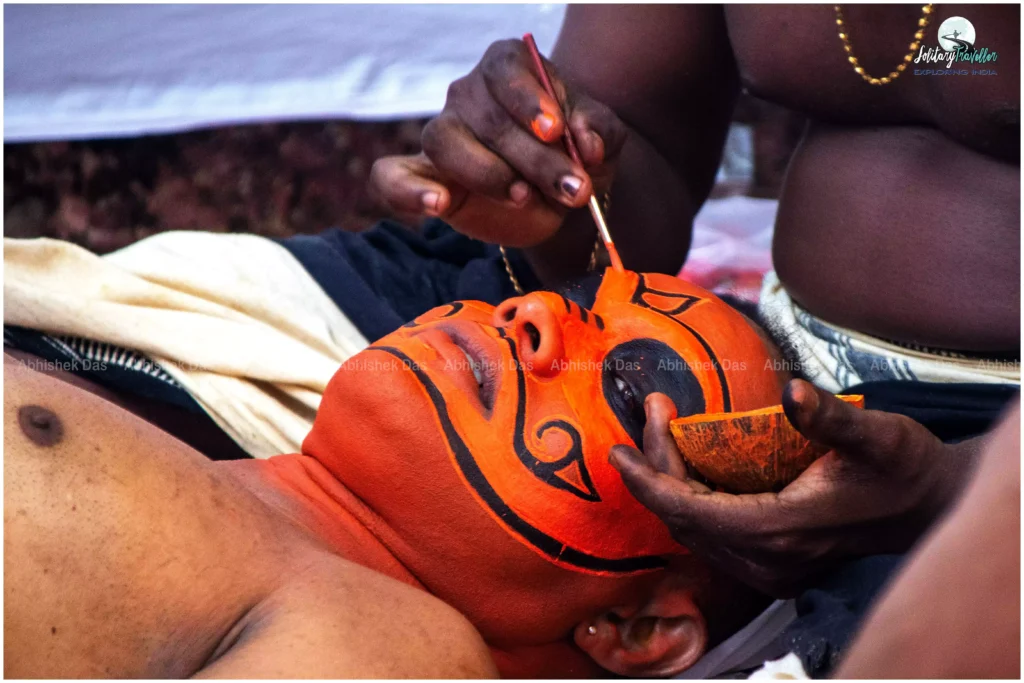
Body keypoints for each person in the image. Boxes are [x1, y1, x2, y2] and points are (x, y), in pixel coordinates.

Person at [368, 4, 1020, 597]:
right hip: (783, 350)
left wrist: (958, 486)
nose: (531, 318)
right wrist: (551, 190)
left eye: (630, 389)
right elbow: (639, 153)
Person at [5, 268, 789, 678]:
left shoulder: (405, 654)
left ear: (639, 629)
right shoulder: (202, 464)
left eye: (626, 381)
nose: (532, 315)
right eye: (575, 298)